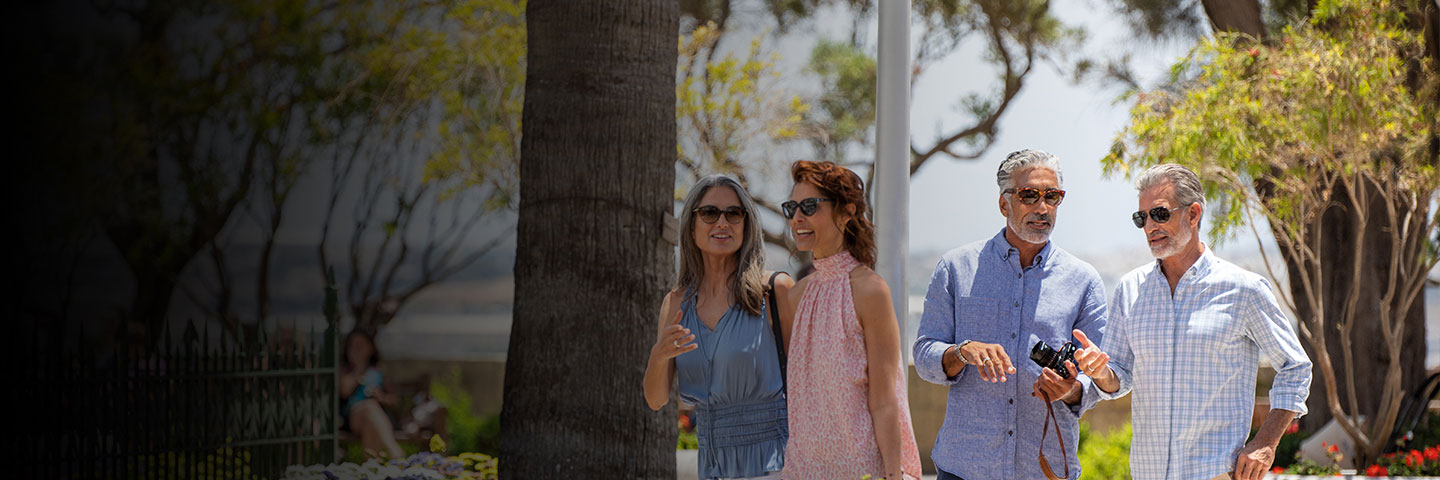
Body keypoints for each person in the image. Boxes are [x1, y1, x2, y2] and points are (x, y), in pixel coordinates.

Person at [1073, 164, 1313, 480]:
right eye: (1141, 218)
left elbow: (1295, 368)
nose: (1149, 226)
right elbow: (1119, 378)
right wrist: (1100, 371)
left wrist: (1266, 442)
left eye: (1159, 214)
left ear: (1193, 214)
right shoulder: (1129, 290)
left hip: (1216, 473)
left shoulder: (1243, 289)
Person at [912, 149, 1108, 480]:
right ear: (1004, 204)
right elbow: (923, 355)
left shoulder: (1084, 281)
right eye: (1029, 195)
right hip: (965, 469)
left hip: (1043, 471)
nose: (1042, 207)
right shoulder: (957, 268)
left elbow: (1098, 377)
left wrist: (1071, 389)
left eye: (1052, 196)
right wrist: (963, 351)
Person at [643, 174, 793, 480]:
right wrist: (659, 356)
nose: (722, 223)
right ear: (692, 226)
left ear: (746, 224)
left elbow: (806, 384)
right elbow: (656, 400)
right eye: (710, 213)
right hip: (711, 465)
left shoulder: (773, 291)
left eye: (733, 213)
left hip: (777, 461)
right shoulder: (675, 305)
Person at [781, 160, 921, 480]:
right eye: (792, 207)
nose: (797, 217)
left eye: (810, 206)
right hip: (802, 469)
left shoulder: (869, 290)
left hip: (859, 469)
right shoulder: (796, 296)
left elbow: (886, 399)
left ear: (846, 212)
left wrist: (893, 475)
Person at [340, 329, 405, 459]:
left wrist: (381, 397)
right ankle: (395, 452)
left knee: (370, 419)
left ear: (370, 348)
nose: (356, 350)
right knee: (369, 407)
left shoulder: (379, 371)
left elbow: (394, 400)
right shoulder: (345, 370)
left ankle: (372, 469)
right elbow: (344, 392)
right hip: (352, 417)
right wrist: (359, 369)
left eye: (360, 346)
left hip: (376, 417)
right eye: (353, 346)